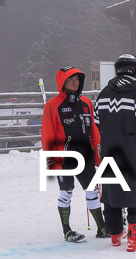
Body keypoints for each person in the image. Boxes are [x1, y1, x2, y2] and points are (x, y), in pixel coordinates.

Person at [94, 54, 136, 252]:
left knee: (111, 193)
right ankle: (134, 237)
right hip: (132, 150)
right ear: (135, 70)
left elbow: (98, 120)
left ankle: (115, 235)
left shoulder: (104, 92)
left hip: (109, 150)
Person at [42, 67, 105, 242]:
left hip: (86, 156)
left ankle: (101, 227)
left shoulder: (86, 103)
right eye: (71, 79)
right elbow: (47, 136)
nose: (75, 82)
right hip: (64, 158)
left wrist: (98, 156)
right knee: (66, 192)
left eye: (77, 79)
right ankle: (67, 231)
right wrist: (52, 163)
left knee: (92, 189)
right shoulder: (52, 105)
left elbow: (94, 132)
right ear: (63, 82)